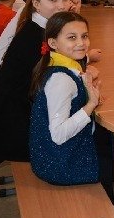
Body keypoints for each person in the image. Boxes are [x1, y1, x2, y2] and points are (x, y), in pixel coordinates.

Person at [0, 0, 72, 165]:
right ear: (36, 4)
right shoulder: (33, 35)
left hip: (25, 112)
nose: (62, 5)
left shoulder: (40, 26)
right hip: (20, 128)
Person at [28, 12, 102, 185]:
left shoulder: (59, 64)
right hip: (60, 165)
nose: (81, 43)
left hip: (56, 154)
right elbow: (58, 135)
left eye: (84, 36)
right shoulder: (61, 79)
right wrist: (91, 104)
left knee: (109, 143)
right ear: (53, 43)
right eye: (72, 37)